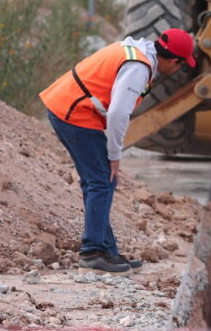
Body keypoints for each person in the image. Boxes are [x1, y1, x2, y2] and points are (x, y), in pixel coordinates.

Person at [39, 29, 197, 274]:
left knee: (100, 181)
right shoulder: (139, 68)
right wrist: (115, 155)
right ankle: (92, 253)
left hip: (69, 107)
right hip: (74, 113)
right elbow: (118, 114)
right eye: (181, 65)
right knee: (101, 181)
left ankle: (108, 252)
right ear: (174, 61)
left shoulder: (136, 52)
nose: (178, 70)